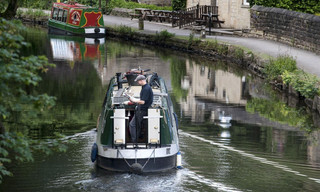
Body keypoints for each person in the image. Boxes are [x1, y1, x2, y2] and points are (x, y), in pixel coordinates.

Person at [127, 75, 153, 143]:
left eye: (138, 81)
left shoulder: (146, 89)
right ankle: (136, 139)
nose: (138, 83)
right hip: (142, 109)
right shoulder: (145, 87)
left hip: (142, 110)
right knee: (137, 125)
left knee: (132, 125)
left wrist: (134, 100)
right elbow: (143, 99)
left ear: (141, 80)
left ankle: (134, 141)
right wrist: (134, 99)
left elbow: (143, 101)